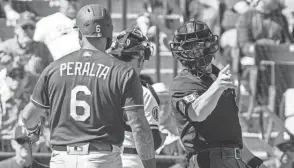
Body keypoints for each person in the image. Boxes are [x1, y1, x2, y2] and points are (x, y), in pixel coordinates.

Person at [21, 4, 156, 168]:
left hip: (62, 159)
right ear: (108, 34)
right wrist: (149, 164)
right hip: (101, 158)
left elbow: (28, 116)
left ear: (79, 32)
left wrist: (34, 130)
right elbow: (139, 127)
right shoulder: (123, 71)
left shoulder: (54, 68)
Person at [168, 18, 268, 168]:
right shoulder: (182, 82)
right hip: (207, 160)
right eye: (187, 46)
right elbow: (198, 113)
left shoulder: (217, 77)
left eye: (197, 44)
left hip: (235, 159)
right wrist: (218, 86)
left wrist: (257, 164)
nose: (191, 50)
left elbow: (232, 138)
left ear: (209, 45)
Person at [108, 29, 162, 168]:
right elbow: (153, 140)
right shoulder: (144, 92)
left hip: (97, 158)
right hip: (130, 159)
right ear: (141, 59)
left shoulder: (97, 84)